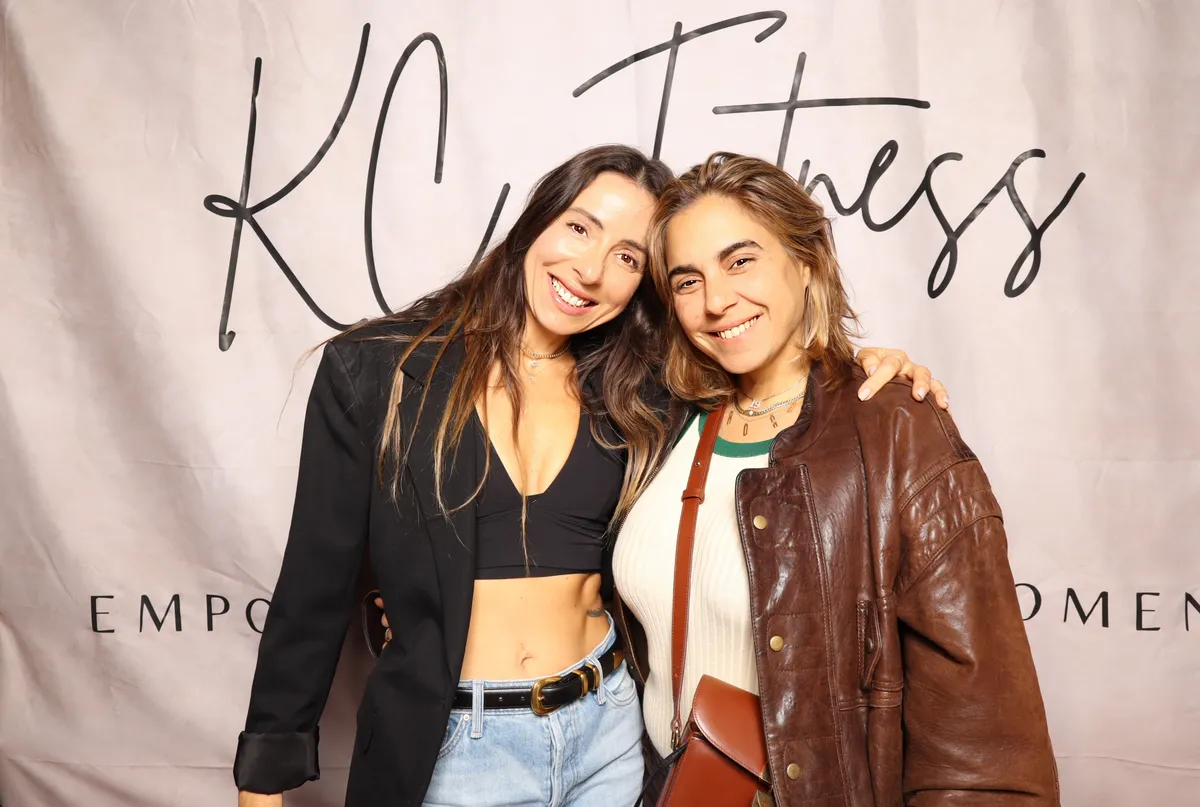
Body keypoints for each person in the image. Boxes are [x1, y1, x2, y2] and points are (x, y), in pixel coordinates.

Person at [236, 144, 947, 807]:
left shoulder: (642, 391)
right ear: (538, 221)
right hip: (456, 747)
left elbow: (771, 381)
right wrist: (264, 776)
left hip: (607, 734)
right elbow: (314, 584)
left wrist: (867, 370)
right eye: (579, 228)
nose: (590, 270)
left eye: (628, 257)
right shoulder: (379, 371)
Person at [611, 152, 1059, 805]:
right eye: (687, 281)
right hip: (678, 789)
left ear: (806, 260)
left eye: (741, 261)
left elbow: (982, 726)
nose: (716, 301)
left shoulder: (894, 425)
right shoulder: (662, 424)